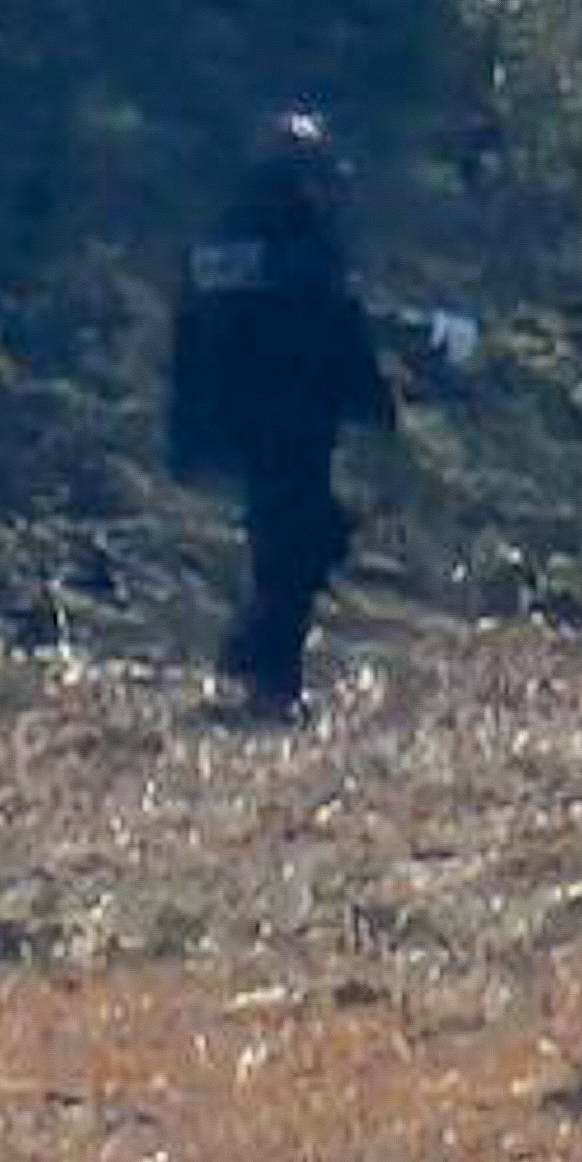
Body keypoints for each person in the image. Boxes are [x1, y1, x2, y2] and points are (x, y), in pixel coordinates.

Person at [167, 113, 398, 719]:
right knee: (299, 542)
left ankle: (256, 658)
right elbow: (338, 328)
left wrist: (189, 422)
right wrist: (372, 400)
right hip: (293, 420)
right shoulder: (305, 251)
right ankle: (266, 673)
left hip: (242, 417)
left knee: (296, 539)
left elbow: (188, 338)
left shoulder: (222, 247)